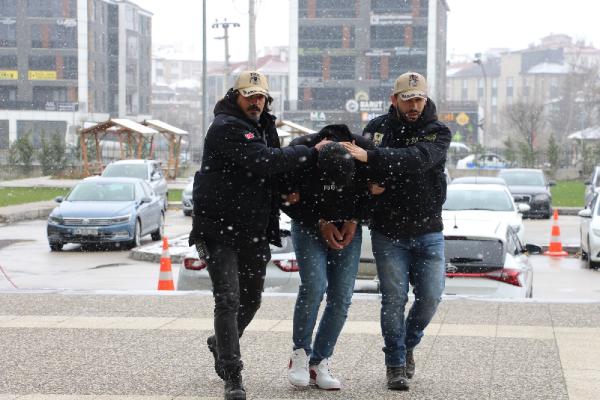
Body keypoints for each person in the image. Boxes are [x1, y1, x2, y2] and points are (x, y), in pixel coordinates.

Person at [189, 71, 329, 400]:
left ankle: (220, 342)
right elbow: (264, 161)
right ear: (235, 96)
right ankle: (232, 374)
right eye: (249, 96)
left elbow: (271, 174)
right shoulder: (225, 126)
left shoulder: (265, 126)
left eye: (260, 97)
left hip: (253, 229)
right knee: (228, 299)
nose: (255, 102)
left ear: (267, 100)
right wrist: (311, 150)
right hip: (218, 227)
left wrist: (287, 193)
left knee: (251, 300)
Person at [341, 72, 451, 391]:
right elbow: (358, 170)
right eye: (408, 100)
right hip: (388, 231)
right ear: (394, 99)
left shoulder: (437, 131)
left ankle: (407, 344)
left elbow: (417, 160)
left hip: (428, 229)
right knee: (393, 299)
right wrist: (368, 182)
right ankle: (395, 363)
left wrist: (376, 162)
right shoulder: (377, 129)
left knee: (430, 297)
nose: (414, 106)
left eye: (419, 99)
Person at [281, 125, 375, 390]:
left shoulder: (365, 151)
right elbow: (285, 197)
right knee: (313, 287)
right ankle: (300, 354)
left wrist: (355, 219)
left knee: (342, 295)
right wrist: (320, 221)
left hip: (348, 224)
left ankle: (319, 361)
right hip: (308, 225)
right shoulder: (301, 151)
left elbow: (379, 191)